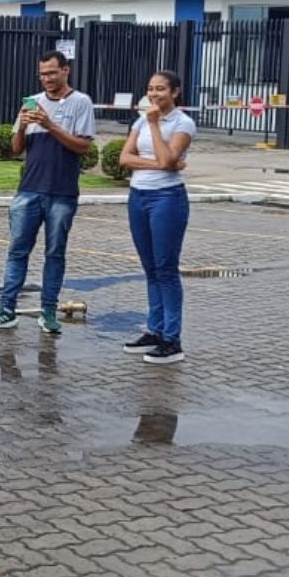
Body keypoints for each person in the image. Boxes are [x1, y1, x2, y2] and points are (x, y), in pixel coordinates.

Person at [0, 51, 95, 335]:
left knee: (55, 253)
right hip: (29, 189)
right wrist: (24, 126)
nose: (47, 79)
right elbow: (16, 149)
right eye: (42, 74)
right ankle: (6, 309)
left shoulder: (81, 102)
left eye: (52, 73)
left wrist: (49, 125)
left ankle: (49, 310)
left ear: (65, 70)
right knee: (17, 251)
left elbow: (83, 147)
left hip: (62, 192)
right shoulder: (32, 103)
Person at [118, 71, 196, 364]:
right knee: (150, 268)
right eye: (150, 89)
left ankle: (171, 339)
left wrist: (153, 126)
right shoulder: (140, 120)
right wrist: (162, 163)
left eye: (160, 89)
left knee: (166, 268)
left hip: (167, 199)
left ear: (175, 92)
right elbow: (124, 158)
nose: (154, 94)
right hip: (138, 196)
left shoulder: (182, 123)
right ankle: (155, 329)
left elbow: (168, 160)